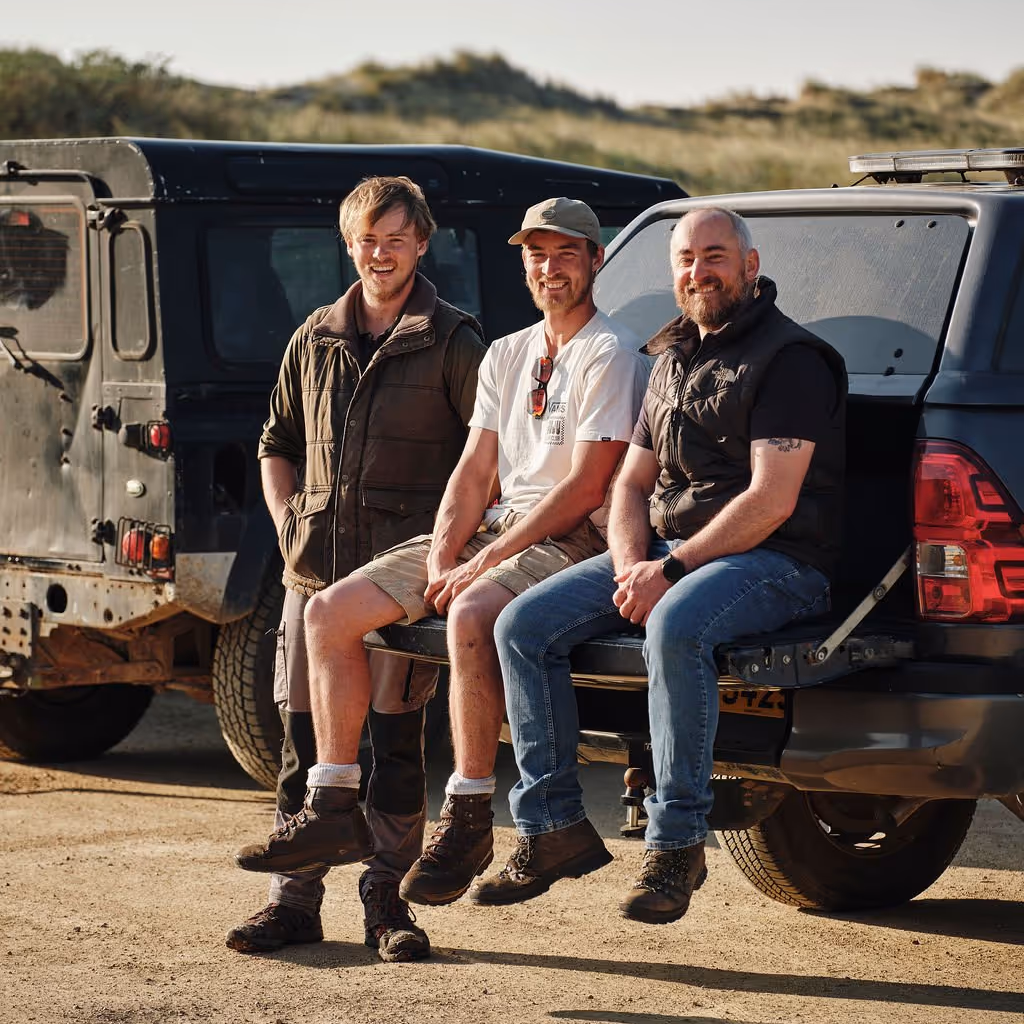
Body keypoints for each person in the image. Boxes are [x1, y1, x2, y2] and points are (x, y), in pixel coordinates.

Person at [235, 197, 650, 907]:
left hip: (565, 537)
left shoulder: (608, 352)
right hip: (490, 528)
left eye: (567, 254)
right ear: (522, 263)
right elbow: (472, 470)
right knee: (329, 613)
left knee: (469, 616)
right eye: (537, 254)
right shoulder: (507, 351)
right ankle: (332, 803)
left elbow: (586, 486)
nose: (550, 268)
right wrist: (443, 554)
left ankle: (468, 814)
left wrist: (484, 561)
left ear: (596, 260)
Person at [476, 206, 847, 923]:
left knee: (674, 623)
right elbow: (631, 485)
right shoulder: (671, 354)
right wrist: (627, 561)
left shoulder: (791, 359)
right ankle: (551, 824)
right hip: (665, 552)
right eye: (685, 259)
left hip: (778, 559)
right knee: (522, 623)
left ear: (750, 264)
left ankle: (676, 844)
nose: (698, 271)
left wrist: (667, 575)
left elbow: (771, 500)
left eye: (714, 256)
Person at [228, 175, 486, 962]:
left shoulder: (452, 338)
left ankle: (388, 904)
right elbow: (275, 442)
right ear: (350, 244)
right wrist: (285, 521)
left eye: (395, 239)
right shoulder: (313, 336)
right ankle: (293, 901)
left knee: (394, 755)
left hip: (397, 594)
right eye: (367, 239)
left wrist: (450, 552)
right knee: (303, 753)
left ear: (421, 243)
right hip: (311, 583)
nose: (380, 253)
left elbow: (487, 459)